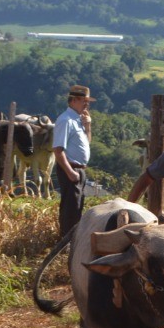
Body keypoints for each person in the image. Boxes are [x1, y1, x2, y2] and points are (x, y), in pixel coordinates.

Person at [51, 84, 96, 237]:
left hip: (79, 170)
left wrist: (88, 126)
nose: (87, 104)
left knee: (77, 207)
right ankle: (66, 241)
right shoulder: (65, 120)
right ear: (74, 100)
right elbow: (58, 150)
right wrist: (69, 172)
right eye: (84, 100)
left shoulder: (78, 120)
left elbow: (87, 143)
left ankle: (72, 240)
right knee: (70, 209)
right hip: (71, 169)